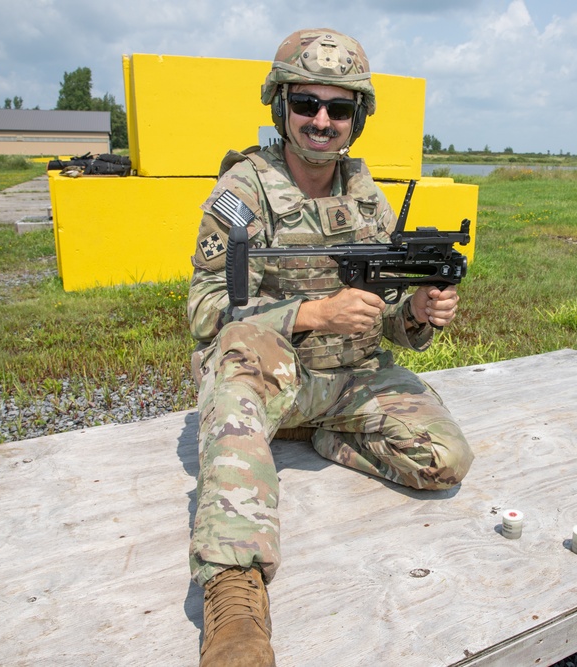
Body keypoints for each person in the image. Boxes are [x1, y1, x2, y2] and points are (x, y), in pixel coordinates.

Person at [186, 28, 475, 667]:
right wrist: (315, 313)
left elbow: (388, 318)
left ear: (357, 119)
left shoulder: (366, 197)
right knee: (236, 370)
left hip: (349, 380)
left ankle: (314, 436)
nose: (321, 120)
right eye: (306, 103)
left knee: (446, 459)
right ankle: (235, 607)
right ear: (280, 104)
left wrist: (419, 314)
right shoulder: (244, 194)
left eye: (339, 108)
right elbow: (208, 314)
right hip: (273, 374)